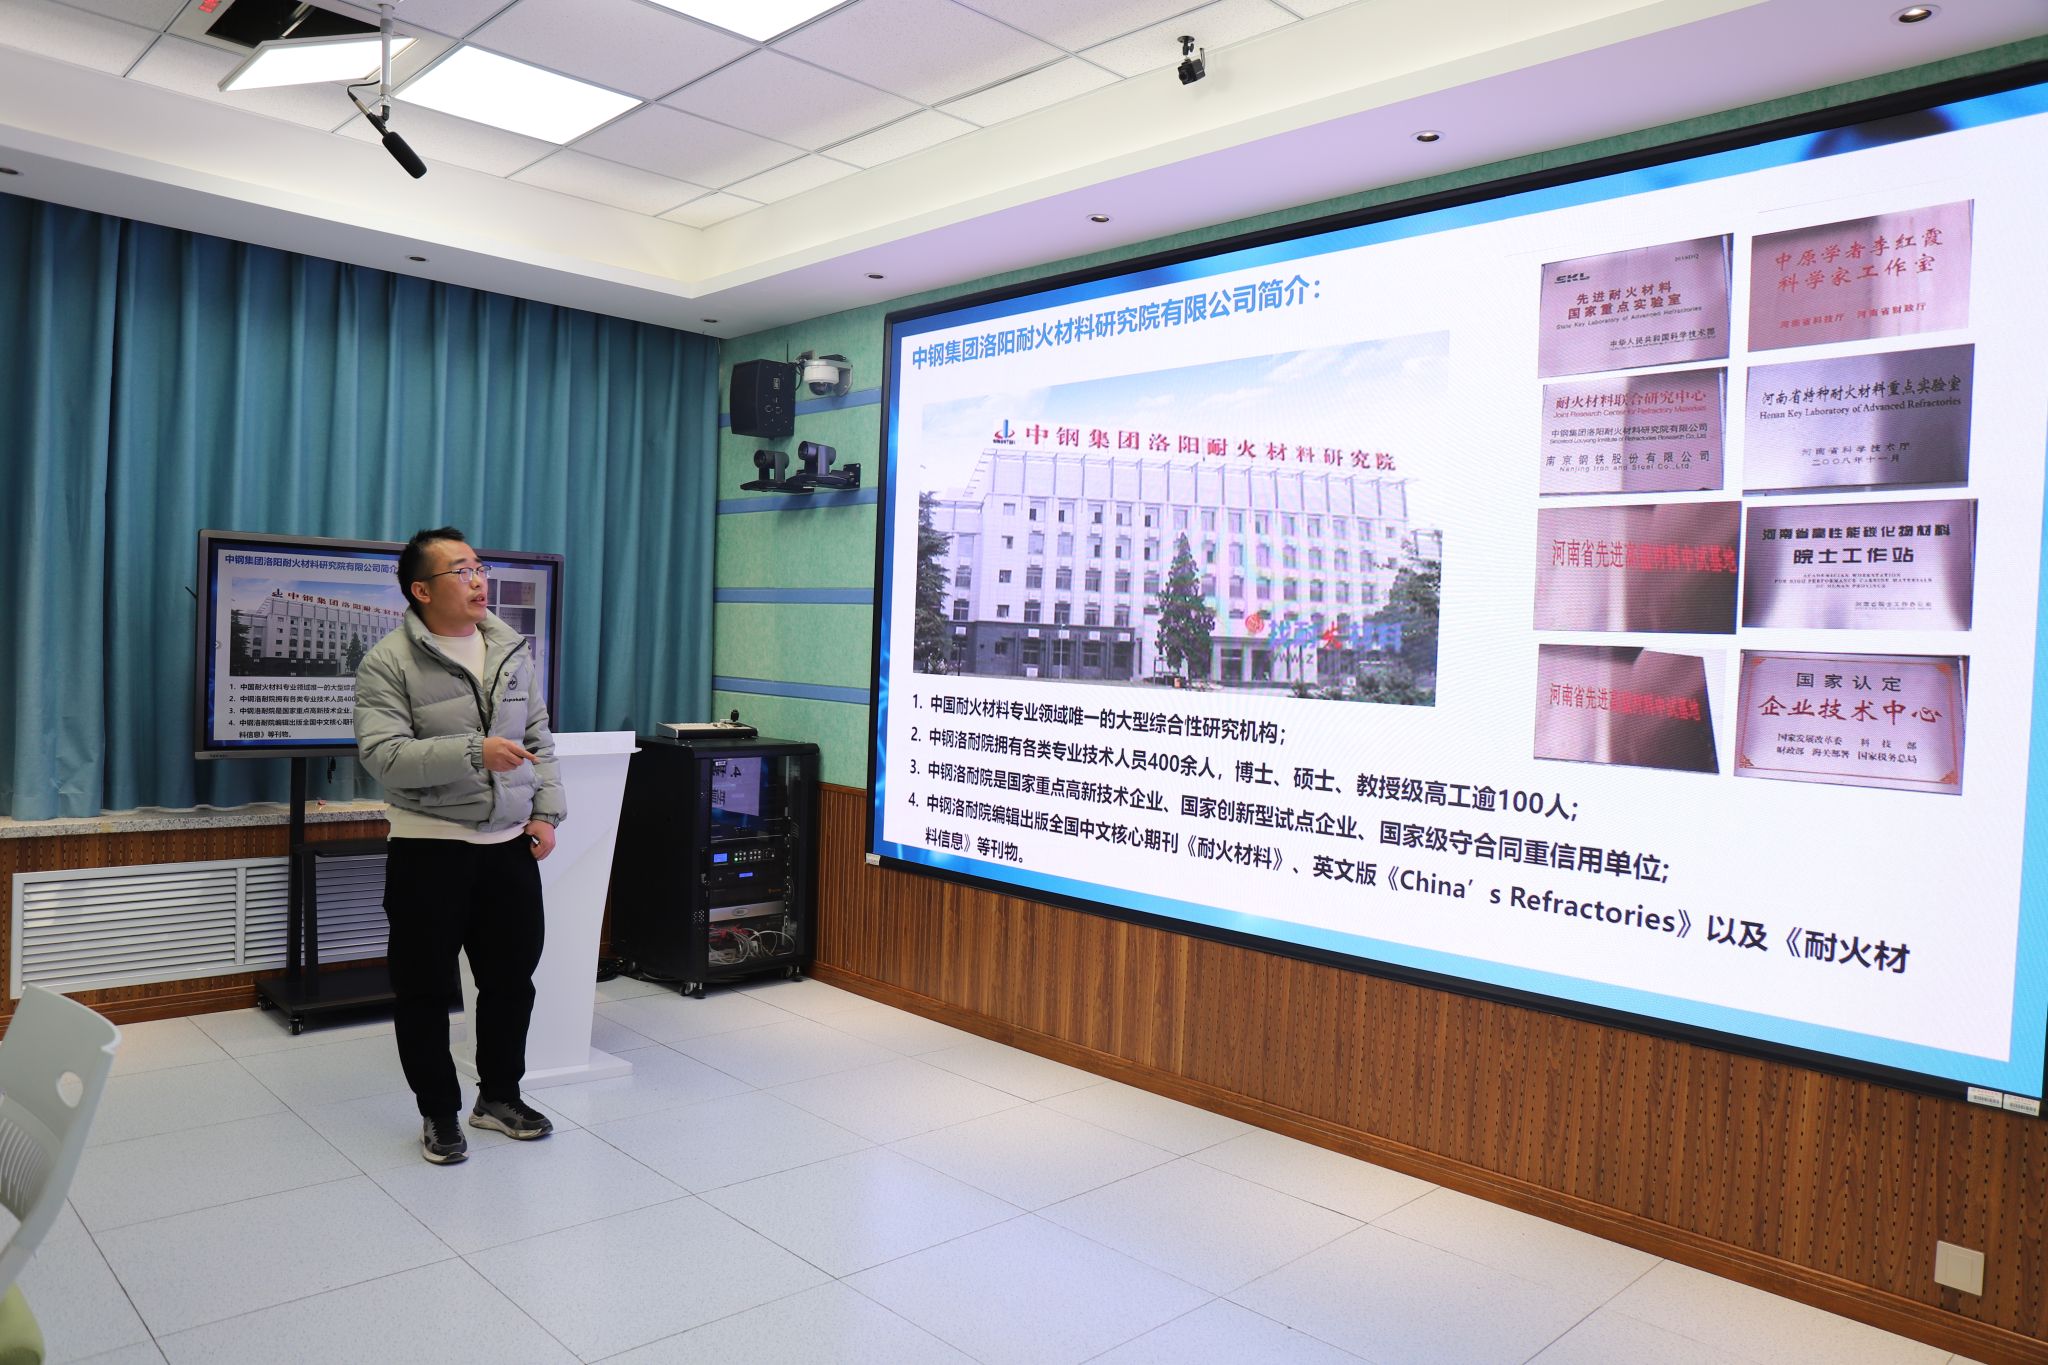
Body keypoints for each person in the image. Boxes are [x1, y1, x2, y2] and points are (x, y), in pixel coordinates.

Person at [353, 527, 565, 1164]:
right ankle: (438, 1113)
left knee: (510, 983)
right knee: (423, 990)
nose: (478, 580)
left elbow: (538, 736)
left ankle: (499, 1096)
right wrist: (475, 751)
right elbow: (384, 757)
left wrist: (546, 812)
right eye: (461, 570)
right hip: (430, 849)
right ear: (422, 590)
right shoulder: (387, 661)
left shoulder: (508, 648)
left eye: (479, 567)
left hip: (508, 848)